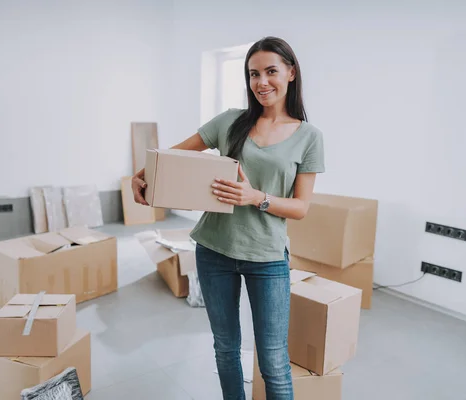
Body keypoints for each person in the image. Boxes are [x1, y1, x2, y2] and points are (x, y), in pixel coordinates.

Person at [132, 36, 325, 400]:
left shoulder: (309, 136)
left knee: (273, 360)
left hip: (267, 259)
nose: (261, 82)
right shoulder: (230, 122)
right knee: (225, 348)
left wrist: (257, 198)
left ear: (291, 73)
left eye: (271, 71)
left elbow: (301, 208)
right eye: (253, 74)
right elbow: (168, 158)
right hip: (213, 251)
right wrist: (140, 175)